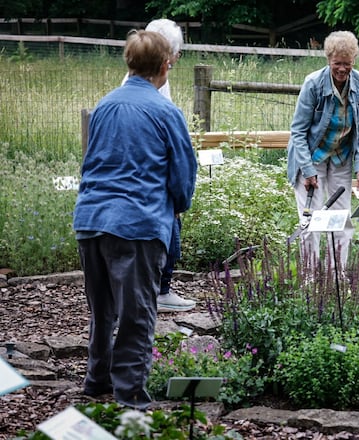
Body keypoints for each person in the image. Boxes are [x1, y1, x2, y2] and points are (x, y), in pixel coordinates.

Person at [74, 29, 197, 409]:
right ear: (166, 65)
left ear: (128, 63)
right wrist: (178, 206)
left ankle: (97, 380)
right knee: (138, 312)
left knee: (102, 308)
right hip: (138, 224)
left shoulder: (105, 105)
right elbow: (182, 173)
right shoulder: (165, 111)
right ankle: (130, 396)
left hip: (92, 219)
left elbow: (93, 160)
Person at [122, 18, 194, 312]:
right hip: (152, 184)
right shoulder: (157, 94)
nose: (175, 61)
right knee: (167, 234)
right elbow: (178, 156)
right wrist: (179, 198)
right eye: (174, 57)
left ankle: (152, 291)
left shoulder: (115, 99)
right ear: (164, 60)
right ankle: (159, 291)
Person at [286, 30, 359, 271]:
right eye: (337, 64)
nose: (342, 69)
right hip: (310, 156)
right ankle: (311, 279)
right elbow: (298, 131)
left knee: (341, 218)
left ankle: (337, 277)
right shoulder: (313, 83)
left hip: (341, 157)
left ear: (354, 61)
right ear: (328, 60)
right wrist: (308, 170)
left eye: (347, 64)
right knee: (311, 219)